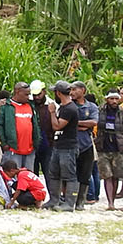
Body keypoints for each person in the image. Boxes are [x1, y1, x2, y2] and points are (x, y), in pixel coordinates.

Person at [45, 81, 81, 211]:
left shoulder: (69, 109)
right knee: (54, 173)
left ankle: (70, 203)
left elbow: (57, 126)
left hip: (68, 147)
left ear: (58, 93)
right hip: (58, 145)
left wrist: (52, 113)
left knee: (69, 175)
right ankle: (54, 200)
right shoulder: (64, 107)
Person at [96, 90, 123, 209]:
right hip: (103, 146)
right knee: (107, 176)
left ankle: (113, 201)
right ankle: (110, 202)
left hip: (118, 148)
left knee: (116, 175)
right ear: (107, 99)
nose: (114, 101)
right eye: (111, 99)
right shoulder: (99, 111)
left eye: (116, 98)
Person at [0, 82, 41, 170]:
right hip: (13, 149)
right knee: (13, 176)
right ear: (17, 92)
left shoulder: (30, 105)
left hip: (30, 150)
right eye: (26, 94)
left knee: (28, 175)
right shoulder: (6, 107)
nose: (28, 97)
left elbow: (36, 124)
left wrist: (36, 141)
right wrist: (4, 143)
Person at [69, 81, 98, 209]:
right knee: (71, 174)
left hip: (87, 144)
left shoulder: (91, 106)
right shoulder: (69, 105)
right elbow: (67, 122)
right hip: (71, 144)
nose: (72, 92)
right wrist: (82, 124)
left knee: (85, 174)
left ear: (83, 90)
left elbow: (94, 122)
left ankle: (81, 201)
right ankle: (71, 200)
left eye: (75, 89)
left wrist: (77, 123)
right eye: (71, 90)